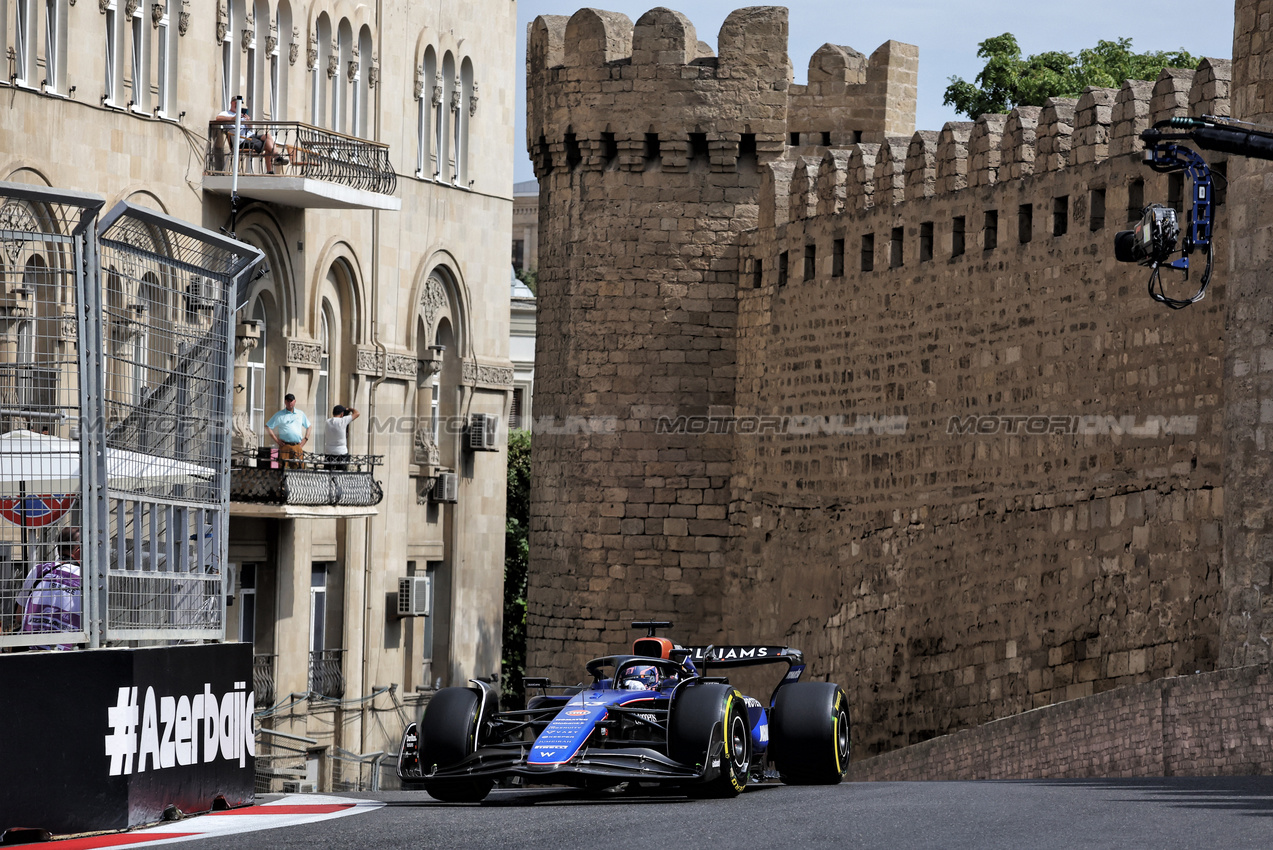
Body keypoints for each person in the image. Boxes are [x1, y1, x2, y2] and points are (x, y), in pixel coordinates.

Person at [213, 97, 287, 174]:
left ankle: (276, 157)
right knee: (267, 144)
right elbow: (218, 118)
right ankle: (272, 166)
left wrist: (248, 121)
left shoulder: (241, 114)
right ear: (232, 103)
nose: (237, 105)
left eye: (239, 103)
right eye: (236, 103)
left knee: (267, 136)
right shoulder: (226, 113)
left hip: (250, 135)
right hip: (242, 140)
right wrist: (233, 118)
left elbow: (250, 128)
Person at [266, 393, 310, 468]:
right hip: (285, 446)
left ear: (295, 401)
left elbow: (309, 426)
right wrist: (277, 440)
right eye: (288, 401)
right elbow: (268, 426)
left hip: (297, 446)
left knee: (298, 469)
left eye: (291, 401)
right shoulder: (279, 415)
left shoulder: (300, 414)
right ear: (285, 402)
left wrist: (306, 438)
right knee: (282, 469)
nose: (290, 403)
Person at [324, 404, 360, 470]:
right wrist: (350, 409)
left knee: (327, 473)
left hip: (329, 452)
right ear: (342, 414)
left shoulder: (327, 422)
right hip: (341, 452)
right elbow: (357, 413)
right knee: (341, 474)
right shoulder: (343, 421)